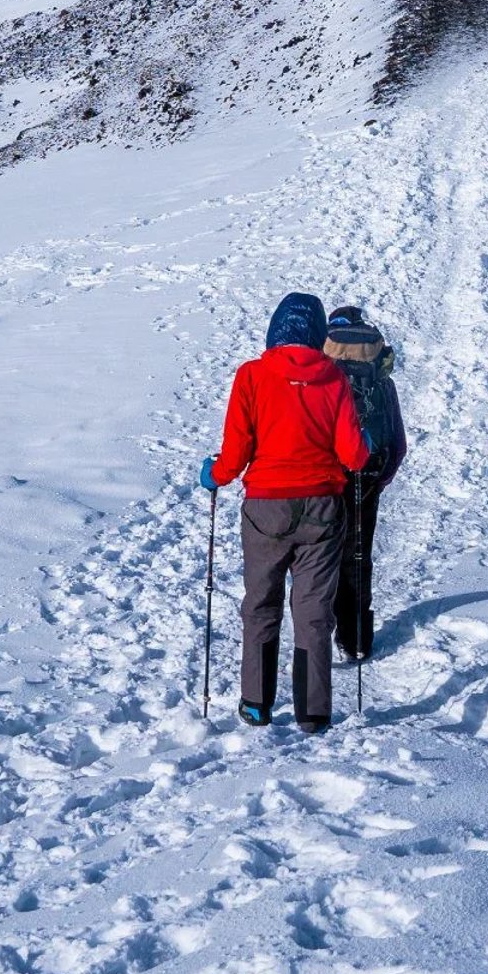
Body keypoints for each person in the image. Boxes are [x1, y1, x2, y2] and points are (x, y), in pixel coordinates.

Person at [200, 293, 370, 734]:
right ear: (317, 333)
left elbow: (236, 451)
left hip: (265, 509)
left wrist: (214, 474)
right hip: (322, 508)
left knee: (261, 604)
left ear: (275, 329)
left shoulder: (252, 376)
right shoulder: (333, 378)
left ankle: (256, 703)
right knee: (314, 611)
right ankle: (312, 712)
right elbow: (354, 456)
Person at [323, 307, 408, 663]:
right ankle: (355, 639)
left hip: (325, 473)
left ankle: (315, 630)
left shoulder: (322, 370)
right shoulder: (379, 377)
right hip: (368, 474)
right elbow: (398, 443)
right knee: (358, 555)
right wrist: (381, 478)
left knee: (319, 554)